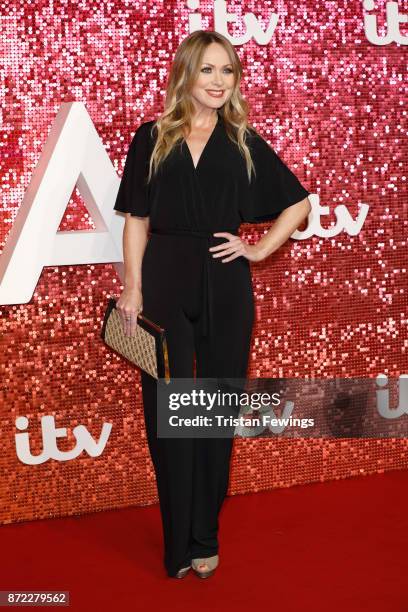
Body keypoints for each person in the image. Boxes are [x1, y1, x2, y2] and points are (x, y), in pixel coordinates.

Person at [113, 30, 311, 579]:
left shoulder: (243, 140)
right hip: (164, 280)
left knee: (217, 411)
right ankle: (177, 543)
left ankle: (205, 536)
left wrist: (257, 247)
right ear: (186, 74)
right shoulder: (150, 138)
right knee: (168, 413)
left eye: (227, 71)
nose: (219, 81)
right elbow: (136, 219)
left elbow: (299, 204)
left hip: (226, 284)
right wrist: (132, 286)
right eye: (208, 70)